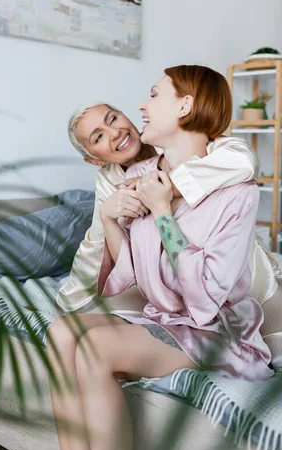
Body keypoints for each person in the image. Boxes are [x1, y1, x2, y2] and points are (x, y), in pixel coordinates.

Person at [48, 65, 273, 450]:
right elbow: (132, 271)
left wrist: (162, 212)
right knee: (62, 331)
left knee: (96, 349)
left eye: (153, 95)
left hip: (214, 326)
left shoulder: (232, 179)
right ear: (91, 156)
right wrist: (109, 219)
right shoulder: (138, 175)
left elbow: (204, 300)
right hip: (165, 315)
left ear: (185, 105)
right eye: (98, 136)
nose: (140, 107)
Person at [56, 96, 260, 313]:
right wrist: (70, 298)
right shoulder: (110, 179)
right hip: (168, 278)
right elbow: (98, 240)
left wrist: (166, 186)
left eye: (113, 119)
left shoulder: (174, 137)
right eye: (98, 137)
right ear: (94, 160)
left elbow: (244, 162)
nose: (115, 132)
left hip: (226, 258)